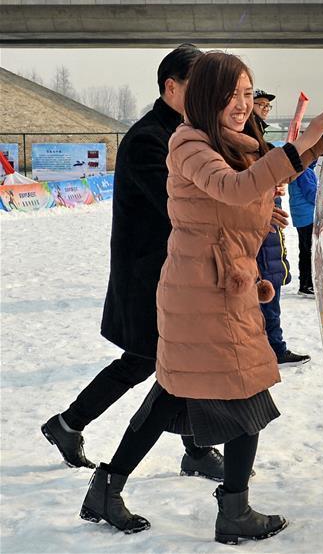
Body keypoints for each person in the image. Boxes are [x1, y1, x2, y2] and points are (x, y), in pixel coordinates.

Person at [79, 51, 323, 542]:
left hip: (217, 289)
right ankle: (233, 510)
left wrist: (322, 134)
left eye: (247, 93)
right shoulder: (188, 143)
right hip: (203, 294)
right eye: (232, 94)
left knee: (173, 392)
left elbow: (268, 175)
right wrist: (301, 143)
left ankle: (108, 486)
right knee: (246, 390)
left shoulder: (234, 143)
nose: (242, 104)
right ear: (205, 96)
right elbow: (235, 190)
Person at [41, 44, 225, 480]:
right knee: (149, 361)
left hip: (171, 273)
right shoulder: (149, 139)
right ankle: (73, 427)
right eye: (199, 87)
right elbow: (179, 203)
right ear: (171, 87)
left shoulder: (184, 132)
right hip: (148, 277)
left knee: (171, 361)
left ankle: (72, 425)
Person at [248, 89, 310, 364]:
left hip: (273, 228)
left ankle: (272, 345)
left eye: (266, 106)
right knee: (266, 289)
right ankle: (273, 346)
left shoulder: (264, 145)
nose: (264, 109)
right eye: (259, 104)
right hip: (260, 230)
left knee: (271, 286)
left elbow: (292, 164)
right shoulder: (247, 146)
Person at [288, 137, 318, 298]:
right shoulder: (304, 172)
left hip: (301, 216)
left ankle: (305, 283)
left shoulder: (299, 169)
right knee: (309, 251)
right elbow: (311, 194)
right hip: (307, 217)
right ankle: (307, 284)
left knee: (305, 250)